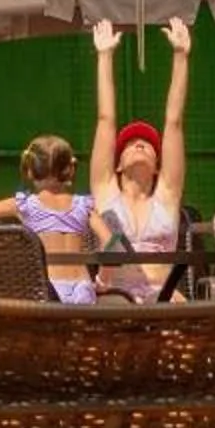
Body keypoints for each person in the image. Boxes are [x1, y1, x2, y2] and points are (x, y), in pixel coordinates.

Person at [92, 16, 192, 301]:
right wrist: (105, 55)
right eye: (131, 143)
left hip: (162, 299)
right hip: (116, 299)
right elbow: (105, 119)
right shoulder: (105, 190)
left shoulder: (167, 195)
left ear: (158, 166)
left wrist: (181, 56)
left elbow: (173, 122)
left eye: (148, 145)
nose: (139, 144)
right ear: (118, 164)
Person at [0, 135, 100, 302]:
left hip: (48, 289)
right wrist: (104, 277)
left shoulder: (25, 205)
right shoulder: (84, 205)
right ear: (70, 170)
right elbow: (114, 240)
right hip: (82, 286)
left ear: (30, 171)